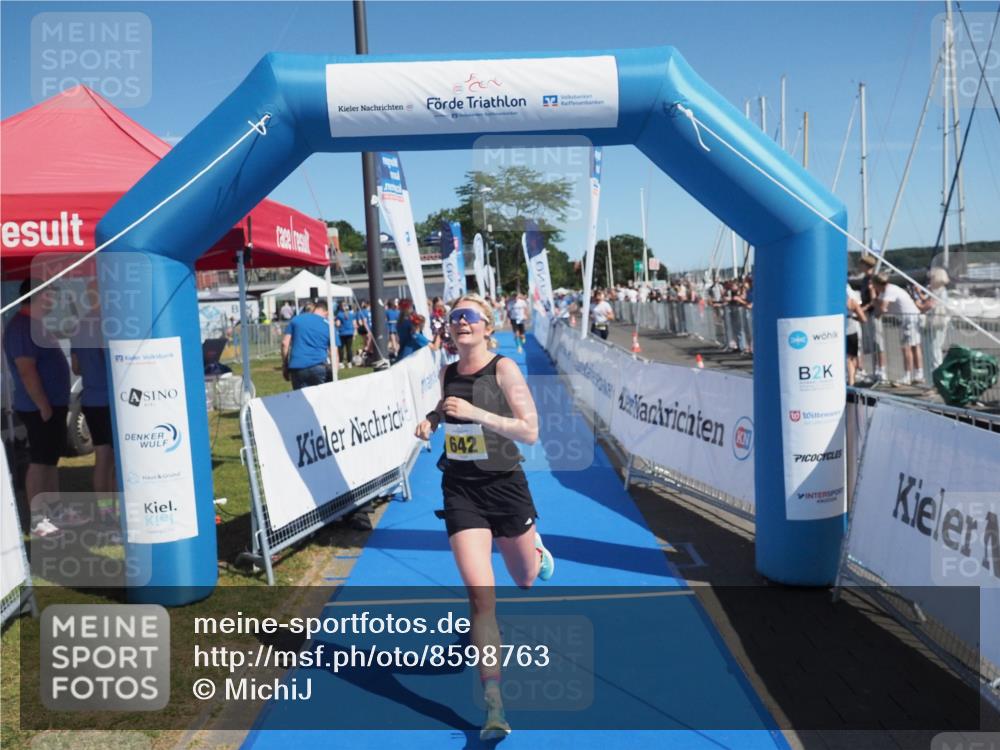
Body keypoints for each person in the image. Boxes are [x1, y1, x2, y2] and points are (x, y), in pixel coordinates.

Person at [414, 293, 553, 740]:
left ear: (487, 326)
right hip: (460, 489)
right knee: (480, 597)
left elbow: (530, 430)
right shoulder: (448, 371)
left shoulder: (504, 369)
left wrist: (476, 412)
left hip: (505, 487)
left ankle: (535, 546)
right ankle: (494, 703)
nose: (460, 323)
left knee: (526, 579)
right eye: (454, 317)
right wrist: (432, 420)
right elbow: (447, 406)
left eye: (469, 316)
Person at [3, 279, 73, 537]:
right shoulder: (22, 327)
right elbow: (26, 370)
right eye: (48, 295)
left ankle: (55, 510)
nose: (52, 300)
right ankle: (38, 519)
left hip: (52, 405)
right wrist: (43, 404)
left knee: (50, 459)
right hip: (39, 407)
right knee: (39, 461)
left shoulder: (36, 325)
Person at [70, 294, 116, 524]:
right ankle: (120, 510)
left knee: (102, 456)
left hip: (91, 399)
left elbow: (76, 367)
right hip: (112, 400)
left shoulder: (79, 326)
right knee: (118, 459)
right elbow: (112, 360)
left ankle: (106, 512)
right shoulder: (109, 322)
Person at [872, 273, 924, 385]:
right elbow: (877, 303)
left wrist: (877, 311)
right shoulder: (886, 290)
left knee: (907, 347)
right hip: (911, 317)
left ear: (876, 284)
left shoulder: (889, 291)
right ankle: (918, 373)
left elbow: (881, 308)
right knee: (915, 346)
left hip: (908, 319)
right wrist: (874, 296)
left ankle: (908, 375)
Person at [282, 301, 338, 389]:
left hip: (297, 367)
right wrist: (335, 372)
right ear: (326, 312)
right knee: (321, 399)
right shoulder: (328, 325)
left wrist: (285, 365)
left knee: (300, 399)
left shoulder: (295, 320)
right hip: (318, 365)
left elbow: (285, 343)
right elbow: (334, 351)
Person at [914, 267, 951, 374]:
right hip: (935, 323)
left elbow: (929, 305)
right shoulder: (938, 290)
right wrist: (919, 293)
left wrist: (916, 302)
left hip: (936, 323)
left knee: (934, 351)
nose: (929, 280)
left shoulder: (939, 291)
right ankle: (934, 378)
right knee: (933, 350)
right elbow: (927, 299)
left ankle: (936, 379)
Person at [846, 283, 867, 386]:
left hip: (839, 332)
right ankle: (851, 381)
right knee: (851, 358)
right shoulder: (852, 302)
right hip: (851, 330)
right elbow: (863, 319)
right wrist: (854, 317)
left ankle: (850, 380)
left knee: (848, 358)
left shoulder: (834, 301)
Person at [335, 301, 356, 366]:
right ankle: (349, 363)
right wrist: (354, 333)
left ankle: (341, 363)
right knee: (349, 348)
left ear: (341, 307)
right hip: (350, 333)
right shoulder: (352, 314)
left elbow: (338, 324)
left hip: (342, 333)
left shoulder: (339, 314)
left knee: (341, 349)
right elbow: (354, 324)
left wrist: (335, 322)